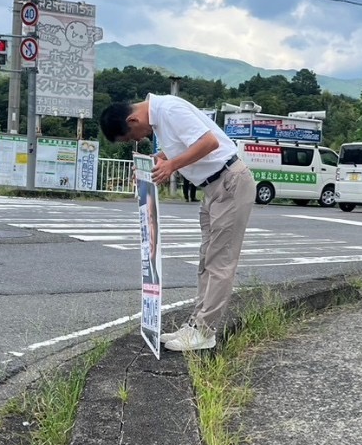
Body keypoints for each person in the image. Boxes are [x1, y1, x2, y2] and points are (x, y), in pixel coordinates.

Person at [99, 95, 255, 352]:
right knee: (207, 259)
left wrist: (172, 165)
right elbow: (184, 145)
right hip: (214, 187)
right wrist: (158, 159)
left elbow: (209, 142)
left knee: (219, 261)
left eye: (132, 137)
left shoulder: (169, 110)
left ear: (132, 119)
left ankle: (205, 332)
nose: (137, 140)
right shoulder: (161, 117)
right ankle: (196, 325)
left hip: (229, 183)